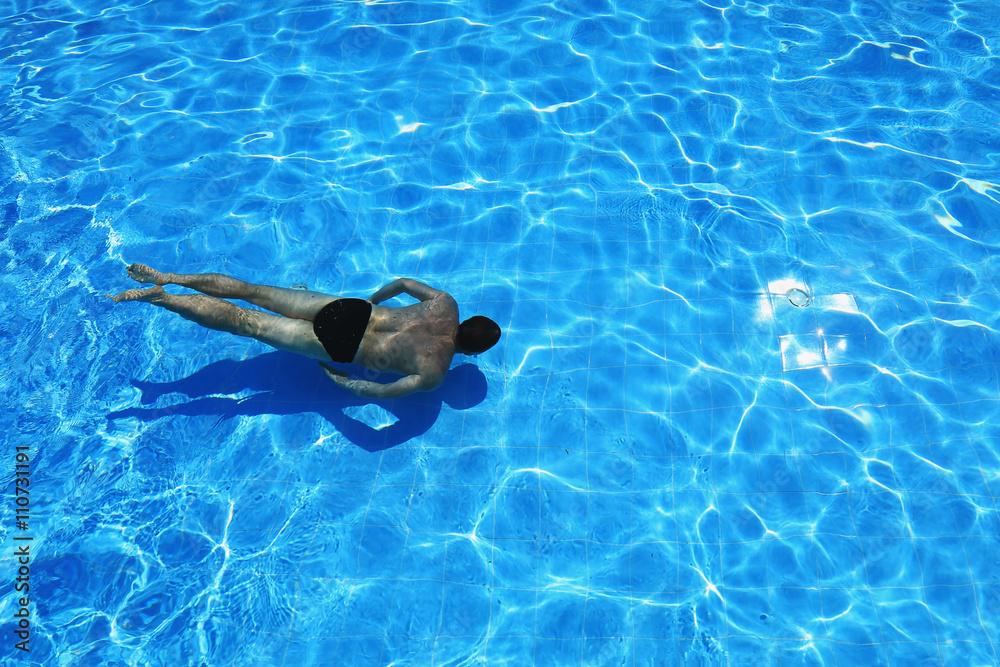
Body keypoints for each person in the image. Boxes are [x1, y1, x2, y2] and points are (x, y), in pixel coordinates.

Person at [107, 264, 501, 398]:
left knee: (252, 291)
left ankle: (171, 277)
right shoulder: (433, 373)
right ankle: (163, 300)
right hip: (341, 346)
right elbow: (378, 391)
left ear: (467, 321)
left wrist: (372, 301)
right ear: (472, 353)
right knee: (249, 323)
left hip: (351, 311)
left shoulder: (444, 304)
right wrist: (343, 384)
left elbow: (400, 283)